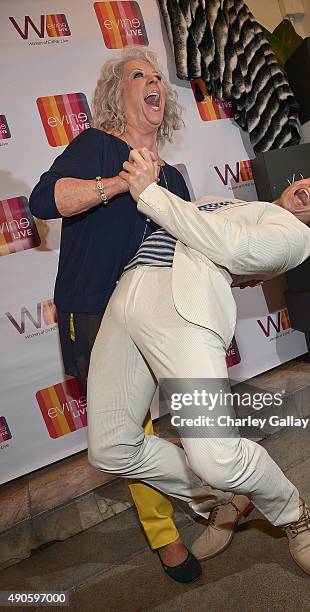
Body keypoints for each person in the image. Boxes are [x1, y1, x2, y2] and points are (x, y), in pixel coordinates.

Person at [86, 149, 310, 578]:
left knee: (217, 456)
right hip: (127, 299)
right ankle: (222, 499)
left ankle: (291, 511)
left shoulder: (297, 236)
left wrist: (149, 192)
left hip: (183, 312)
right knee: (111, 448)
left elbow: (229, 246)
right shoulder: (234, 203)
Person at [29, 46, 231, 584]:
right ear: (117, 95)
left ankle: (217, 492)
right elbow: (45, 201)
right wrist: (124, 182)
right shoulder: (96, 147)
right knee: (131, 429)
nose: (154, 83)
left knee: (190, 412)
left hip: (162, 314)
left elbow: (188, 247)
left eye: (158, 77)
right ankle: (167, 534)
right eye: (138, 75)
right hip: (96, 312)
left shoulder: (178, 180)